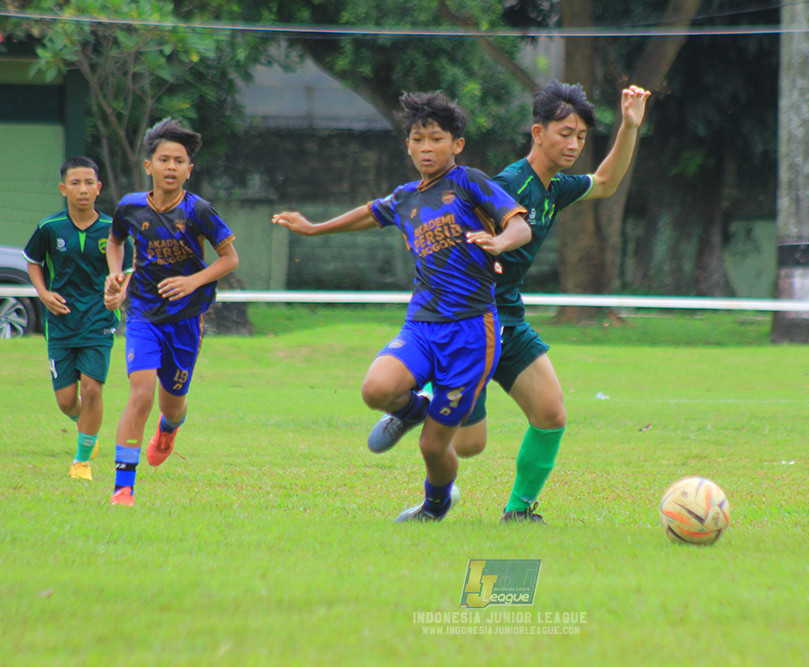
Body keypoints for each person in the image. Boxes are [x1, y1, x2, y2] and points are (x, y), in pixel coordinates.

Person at [369, 81, 650, 523]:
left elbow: (606, 182)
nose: (574, 144)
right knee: (465, 444)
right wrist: (490, 250)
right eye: (564, 133)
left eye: (580, 136)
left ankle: (518, 511)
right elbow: (450, 230)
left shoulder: (554, 187)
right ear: (538, 133)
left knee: (550, 414)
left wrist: (629, 127)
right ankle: (418, 401)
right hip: (470, 321)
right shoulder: (508, 183)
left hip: (509, 319)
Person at [273, 91, 531, 522]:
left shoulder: (469, 181)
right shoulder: (407, 196)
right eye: (417, 139)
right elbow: (370, 212)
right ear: (408, 145)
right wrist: (314, 229)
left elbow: (519, 225)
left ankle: (435, 505)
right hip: (422, 325)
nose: (426, 148)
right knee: (376, 389)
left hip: (471, 333)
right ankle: (413, 412)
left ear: (457, 145)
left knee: (433, 447)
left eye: (436, 139)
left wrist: (499, 241)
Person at [103, 118, 239, 507]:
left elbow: (229, 259)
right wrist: (116, 276)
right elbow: (115, 243)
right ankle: (123, 488)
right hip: (144, 312)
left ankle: (168, 430)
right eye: (164, 159)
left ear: (189, 170)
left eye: (179, 161)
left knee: (172, 404)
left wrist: (192, 282)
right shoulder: (129, 207)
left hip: (187, 317)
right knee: (140, 393)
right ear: (149, 166)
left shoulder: (199, 211)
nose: (171, 167)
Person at [23, 156, 133, 481]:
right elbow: (32, 260)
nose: (82, 190)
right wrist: (43, 293)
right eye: (75, 183)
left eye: (89, 183)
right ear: (63, 188)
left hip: (99, 319)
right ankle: (86, 426)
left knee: (93, 389)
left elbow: (127, 270)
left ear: (98, 188)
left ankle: (82, 460)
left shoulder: (113, 229)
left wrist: (120, 293)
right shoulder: (49, 228)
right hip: (60, 322)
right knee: (68, 401)